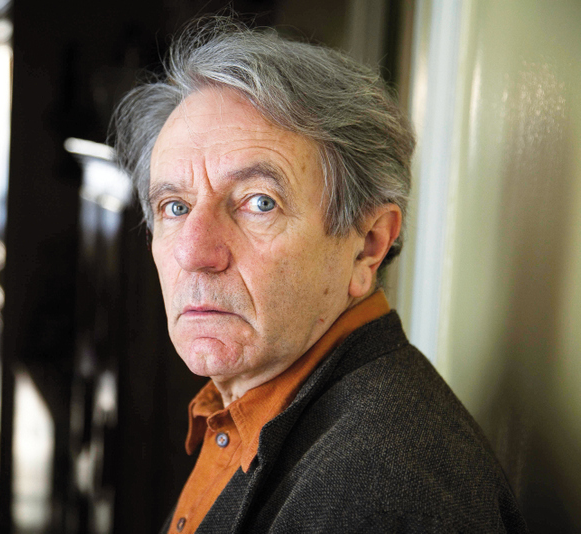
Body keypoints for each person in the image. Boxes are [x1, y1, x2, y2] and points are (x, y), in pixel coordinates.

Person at [112, 16, 528, 533]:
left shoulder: (386, 493)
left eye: (259, 203)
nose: (194, 253)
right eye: (175, 207)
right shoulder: (252, 405)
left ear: (367, 246)